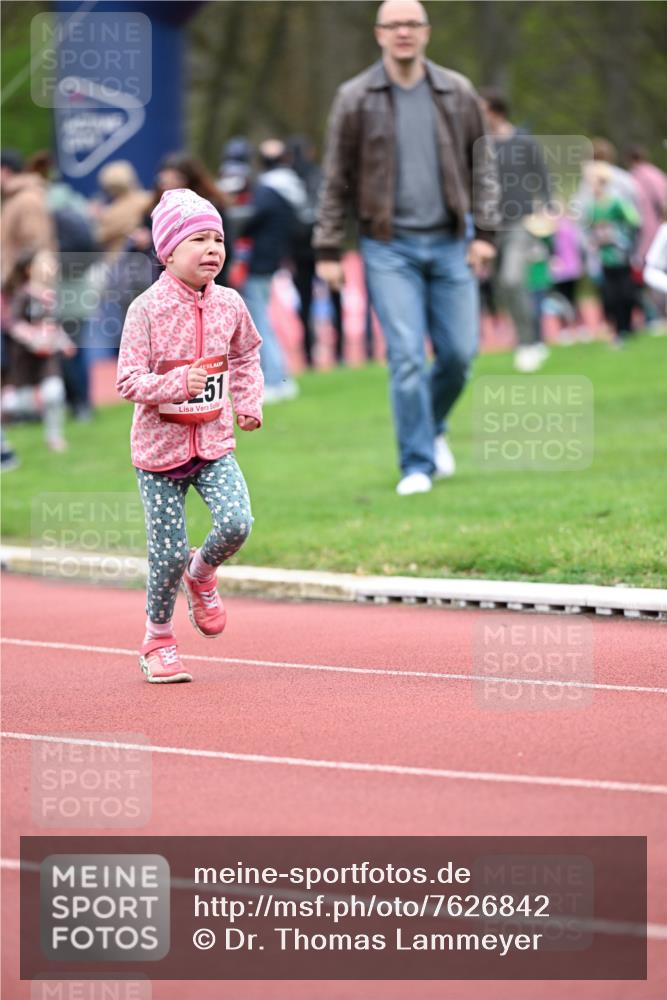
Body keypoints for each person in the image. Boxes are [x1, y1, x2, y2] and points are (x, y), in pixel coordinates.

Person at [314, 0, 499, 495]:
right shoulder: (354, 97)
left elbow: (485, 168)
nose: (403, 33)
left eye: (412, 24)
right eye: (393, 25)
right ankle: (417, 464)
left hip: (451, 242)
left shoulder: (457, 92)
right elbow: (336, 179)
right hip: (387, 247)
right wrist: (328, 249)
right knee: (406, 357)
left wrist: (485, 235)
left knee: (460, 354)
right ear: (378, 34)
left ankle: (431, 425)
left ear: (426, 32)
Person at [116, 189, 263, 684]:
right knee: (167, 552)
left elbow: (245, 356)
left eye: (218, 239)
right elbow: (128, 380)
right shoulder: (147, 309)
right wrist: (175, 384)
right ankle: (158, 639)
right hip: (159, 453)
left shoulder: (230, 303)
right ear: (168, 252)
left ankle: (201, 575)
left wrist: (247, 402)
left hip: (214, 444)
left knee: (238, 522)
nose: (212, 249)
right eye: (199, 238)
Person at [480, 88, 552, 373]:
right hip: (490, 227)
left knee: (512, 280)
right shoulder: (480, 144)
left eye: (482, 109)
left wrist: (547, 206)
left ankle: (529, 344)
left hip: (521, 223)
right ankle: (529, 337)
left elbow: (541, 174)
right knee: (502, 289)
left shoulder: (523, 140)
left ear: (496, 111)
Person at [239, 138, 306, 402]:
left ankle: (275, 379)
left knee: (260, 323)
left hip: (260, 263)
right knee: (263, 320)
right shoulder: (290, 188)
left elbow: (248, 222)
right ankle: (279, 377)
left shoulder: (268, 192)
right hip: (273, 261)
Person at [2, 248, 75, 452]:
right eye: (46, 263)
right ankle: (6, 407)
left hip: (47, 358)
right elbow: (13, 324)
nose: (52, 267)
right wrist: (34, 338)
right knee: (21, 404)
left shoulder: (52, 296)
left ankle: (54, 437)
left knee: (55, 393)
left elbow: (55, 325)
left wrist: (63, 341)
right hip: (24, 360)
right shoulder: (23, 296)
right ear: (29, 269)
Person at [584, 162, 641, 345]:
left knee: (625, 293)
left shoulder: (616, 202)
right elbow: (587, 230)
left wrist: (617, 234)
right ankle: (618, 330)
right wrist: (594, 239)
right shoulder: (591, 206)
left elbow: (634, 221)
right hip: (604, 257)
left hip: (621, 255)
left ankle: (627, 327)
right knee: (610, 296)